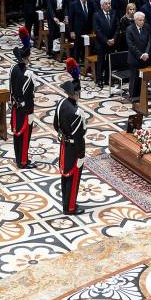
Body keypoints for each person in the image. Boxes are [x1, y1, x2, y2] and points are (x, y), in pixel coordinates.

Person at [53, 80, 87, 215]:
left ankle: (65, 202)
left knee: (65, 175)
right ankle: (70, 207)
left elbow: (56, 125)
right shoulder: (77, 113)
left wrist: (63, 135)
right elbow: (79, 137)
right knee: (73, 178)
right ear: (77, 94)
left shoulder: (61, 103)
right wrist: (81, 154)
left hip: (64, 145)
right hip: (74, 149)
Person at [9, 33, 36, 169]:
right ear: (27, 58)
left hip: (15, 107)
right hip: (25, 110)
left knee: (16, 135)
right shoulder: (28, 74)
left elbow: (11, 89)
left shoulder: (13, 69)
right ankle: (23, 161)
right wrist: (30, 113)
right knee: (25, 137)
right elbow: (29, 96)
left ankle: (18, 157)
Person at [126, 11, 151, 99]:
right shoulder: (130, 29)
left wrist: (146, 53)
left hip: (145, 58)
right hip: (135, 58)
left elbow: (149, 41)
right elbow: (131, 45)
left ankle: (142, 96)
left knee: (143, 79)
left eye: (143, 20)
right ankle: (133, 97)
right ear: (135, 20)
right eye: (140, 20)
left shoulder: (146, 27)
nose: (142, 22)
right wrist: (141, 55)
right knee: (134, 79)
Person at [93, 0, 118, 87]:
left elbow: (117, 28)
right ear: (101, 5)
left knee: (109, 62)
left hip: (111, 42)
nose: (108, 5)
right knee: (101, 62)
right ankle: (99, 80)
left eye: (109, 4)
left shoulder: (114, 13)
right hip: (101, 43)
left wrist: (114, 39)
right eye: (106, 4)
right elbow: (97, 31)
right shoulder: (97, 15)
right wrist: (106, 40)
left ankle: (108, 79)